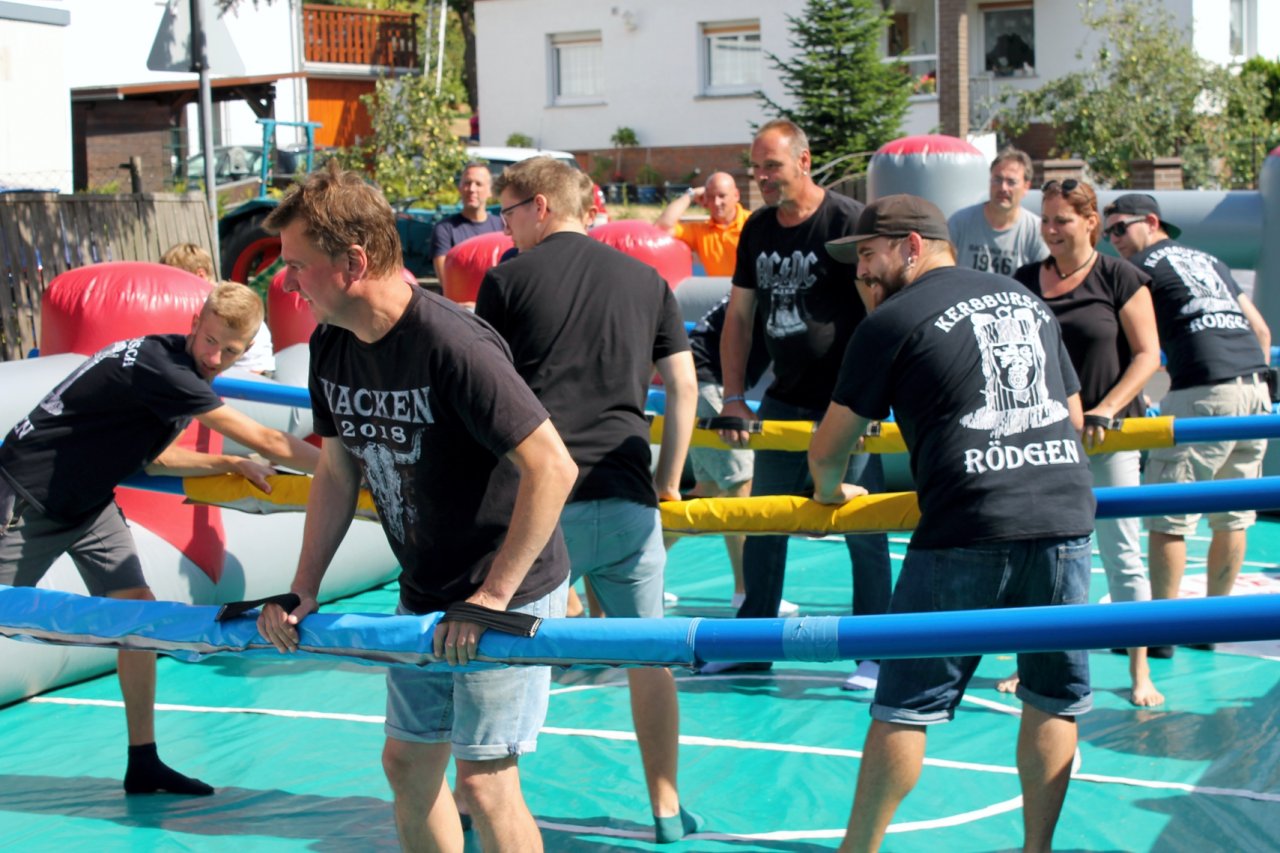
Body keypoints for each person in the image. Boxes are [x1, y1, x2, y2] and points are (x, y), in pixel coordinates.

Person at [255, 163, 578, 852]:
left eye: (297, 265)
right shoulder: (331, 342)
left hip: (505, 588)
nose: (286, 282)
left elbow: (554, 466)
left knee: (485, 783)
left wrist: (492, 598)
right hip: (426, 591)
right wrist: (304, 587)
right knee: (407, 763)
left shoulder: (454, 343)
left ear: (353, 263)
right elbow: (337, 468)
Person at [814, 194, 1095, 853]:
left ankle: (858, 849)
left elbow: (828, 449)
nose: (861, 271)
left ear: (912, 246)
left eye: (868, 254)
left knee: (904, 705)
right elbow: (1074, 417)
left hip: (968, 520)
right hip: (1064, 512)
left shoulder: (891, 320)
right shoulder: (1025, 300)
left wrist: (829, 494)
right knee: (1052, 696)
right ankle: (1037, 849)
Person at [0, 282, 319, 796]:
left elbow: (152, 459)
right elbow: (268, 439)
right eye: (210, 341)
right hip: (27, 496)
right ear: (195, 323)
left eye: (230, 350)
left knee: (138, 614)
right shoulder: (164, 368)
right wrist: (355, 475)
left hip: (88, 502)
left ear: (246, 351)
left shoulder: (176, 365)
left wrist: (229, 462)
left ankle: (143, 761)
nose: (215, 357)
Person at [474, 156, 702, 844]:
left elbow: (483, 393)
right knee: (649, 656)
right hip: (628, 495)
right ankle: (666, 807)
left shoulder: (506, 280)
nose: (504, 227)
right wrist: (668, 480)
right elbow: (683, 387)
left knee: (499, 656)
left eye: (508, 212)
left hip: (542, 503)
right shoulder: (646, 279)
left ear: (540, 206)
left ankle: (476, 800)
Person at [714, 119, 890, 689]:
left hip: (846, 406)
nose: (762, 178)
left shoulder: (845, 222)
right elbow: (740, 318)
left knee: (863, 526)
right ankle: (754, 641)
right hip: (783, 402)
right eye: (755, 168)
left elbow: (877, 312)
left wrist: (871, 399)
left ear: (804, 161)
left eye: (772, 166)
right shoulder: (758, 227)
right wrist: (735, 396)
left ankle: (875, 646)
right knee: (765, 520)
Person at [1011, 179, 1162, 706]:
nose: (1051, 230)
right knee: (1037, 555)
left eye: (1063, 220)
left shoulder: (1120, 277)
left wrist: (1106, 408)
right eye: (1045, 220)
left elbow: (1147, 355)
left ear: (1090, 222)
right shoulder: (1024, 280)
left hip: (1105, 437)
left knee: (1121, 551)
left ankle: (1140, 668)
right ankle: (1032, 662)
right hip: (1041, 440)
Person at [1104, 193, 1272, 659]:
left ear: (1151, 221)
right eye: (1108, 232)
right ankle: (1212, 623)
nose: (1114, 240)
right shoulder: (1210, 260)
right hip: (1255, 391)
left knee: (1169, 514)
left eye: (1120, 228)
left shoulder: (1138, 269)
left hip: (1203, 391)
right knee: (1233, 514)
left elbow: (1133, 343)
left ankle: (1162, 632)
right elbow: (1261, 331)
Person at [666, 296, 788, 612]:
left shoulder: (756, 291)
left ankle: (641, 567)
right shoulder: (769, 289)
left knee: (709, 490)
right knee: (740, 486)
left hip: (698, 380)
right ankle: (745, 590)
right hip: (708, 384)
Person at [160, 242, 276, 375]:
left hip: (247, 377)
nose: (171, 290)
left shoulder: (210, 304)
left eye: (176, 282)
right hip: (264, 372)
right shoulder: (224, 296)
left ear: (200, 275)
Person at [947, 147, 1047, 276]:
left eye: (1011, 182)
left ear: (1026, 187)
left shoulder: (1036, 231)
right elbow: (942, 272)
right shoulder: (959, 223)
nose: (1003, 188)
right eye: (997, 180)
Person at [431, 163, 504, 305]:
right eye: (467, 183)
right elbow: (446, 280)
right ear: (460, 188)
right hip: (459, 309)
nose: (472, 189)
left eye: (478, 184)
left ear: (490, 191)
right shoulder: (445, 229)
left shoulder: (502, 227)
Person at [654, 171, 749, 276]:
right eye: (711, 197)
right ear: (705, 199)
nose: (716, 202)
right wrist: (691, 194)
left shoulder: (754, 223)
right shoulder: (700, 231)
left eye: (722, 196)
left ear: (736, 195)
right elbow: (662, 227)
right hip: (718, 287)